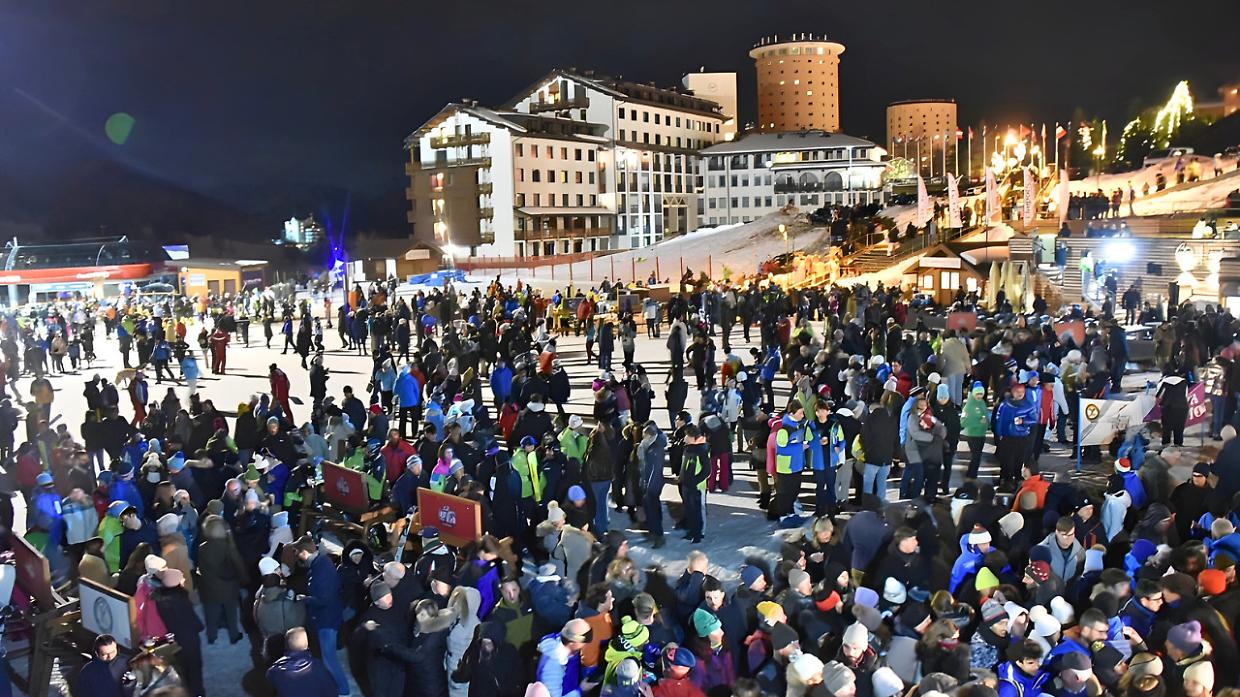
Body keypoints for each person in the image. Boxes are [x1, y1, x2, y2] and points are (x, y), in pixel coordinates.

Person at [292, 535, 349, 696]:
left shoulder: (321, 568)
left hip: (327, 619)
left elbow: (324, 599)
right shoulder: (320, 564)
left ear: (304, 553)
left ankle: (344, 690)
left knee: (329, 658)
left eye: (298, 553)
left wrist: (305, 599)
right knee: (327, 657)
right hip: (326, 616)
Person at [266, 627, 339, 697]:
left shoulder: (274, 671)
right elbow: (332, 693)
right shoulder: (318, 667)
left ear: (286, 645)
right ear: (307, 645)